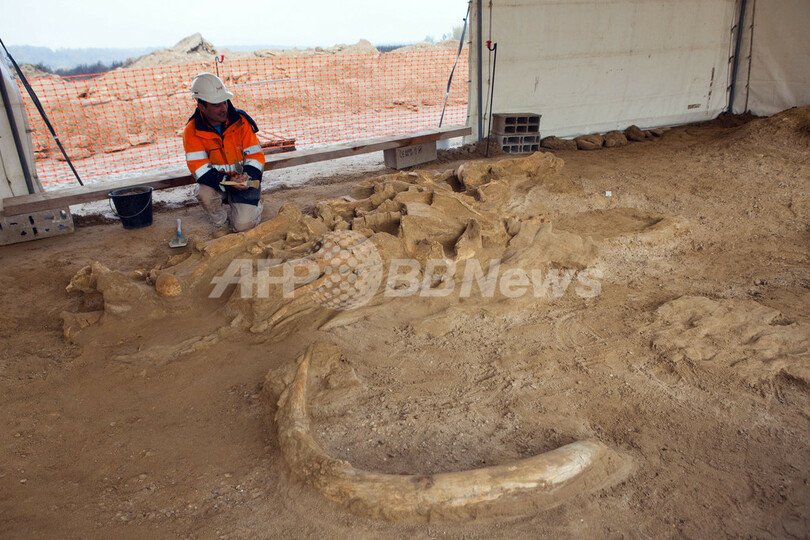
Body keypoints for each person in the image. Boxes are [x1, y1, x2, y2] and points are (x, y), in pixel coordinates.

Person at [182, 73, 265, 235]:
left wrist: (247, 177)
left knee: (242, 227)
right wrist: (228, 182)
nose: (224, 108)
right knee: (202, 191)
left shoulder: (241, 122)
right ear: (201, 106)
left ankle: (257, 204)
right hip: (219, 183)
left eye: (224, 101)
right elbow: (200, 170)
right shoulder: (192, 131)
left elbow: (255, 157)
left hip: (245, 182)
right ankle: (220, 222)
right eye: (216, 104)